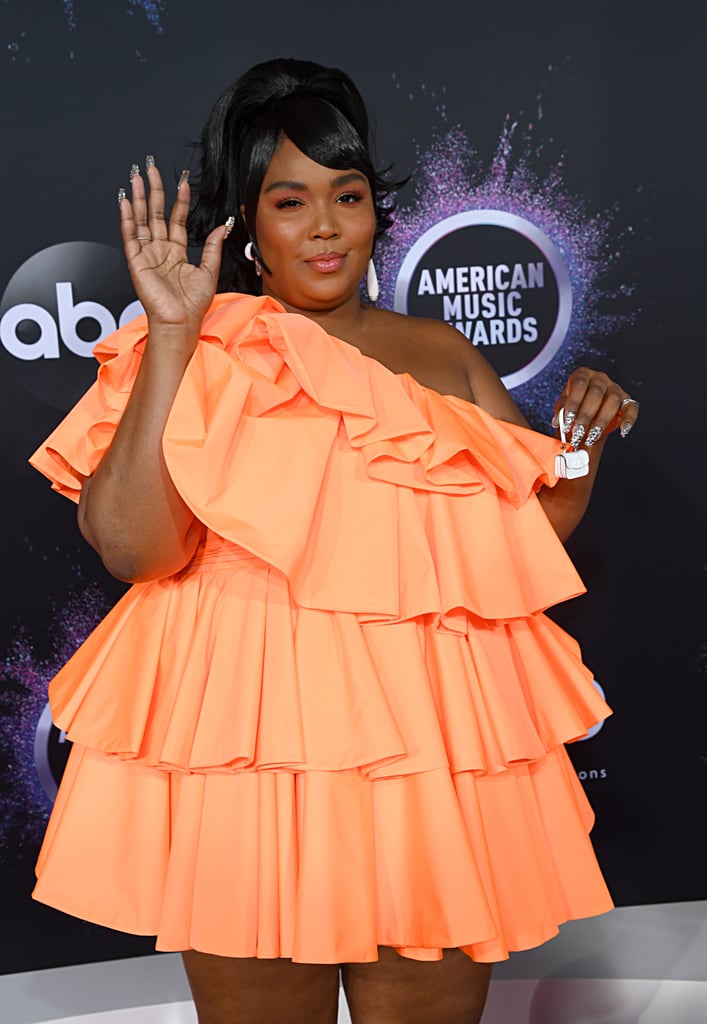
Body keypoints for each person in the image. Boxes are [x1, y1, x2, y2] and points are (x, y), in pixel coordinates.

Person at [30, 58, 638, 1024]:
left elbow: (515, 542)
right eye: (290, 200)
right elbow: (132, 550)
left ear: (374, 212)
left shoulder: (441, 355)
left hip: (421, 743)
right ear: (248, 225)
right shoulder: (194, 348)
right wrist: (176, 342)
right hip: (251, 747)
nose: (324, 225)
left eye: (345, 196)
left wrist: (574, 448)